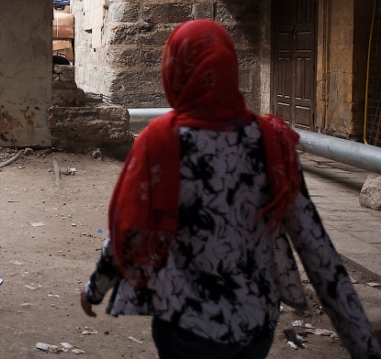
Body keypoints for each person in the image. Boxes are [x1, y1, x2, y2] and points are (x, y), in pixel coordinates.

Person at [80, 19, 381, 359]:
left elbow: (129, 228)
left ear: (175, 70)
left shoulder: (161, 141)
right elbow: (315, 246)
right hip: (256, 323)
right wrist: (363, 345)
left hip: (186, 322)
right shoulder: (271, 141)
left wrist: (96, 288)